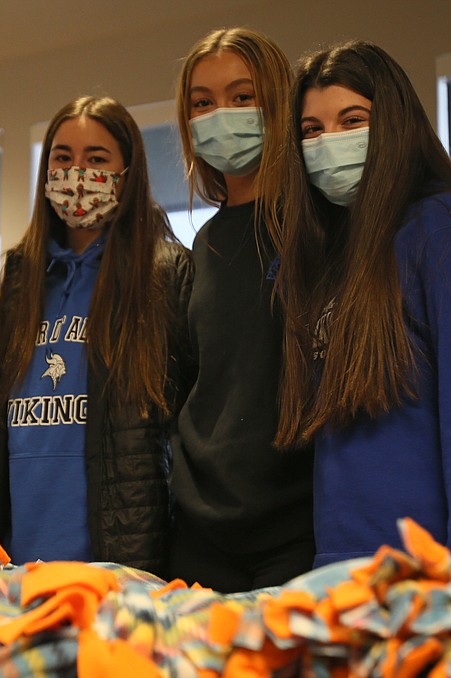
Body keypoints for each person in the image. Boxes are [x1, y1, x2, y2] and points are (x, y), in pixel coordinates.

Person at [276, 40, 451, 623]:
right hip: (352, 585)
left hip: (446, 596)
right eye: (310, 130)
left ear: (398, 125)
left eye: (351, 120)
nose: (327, 143)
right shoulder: (343, 259)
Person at [0, 96, 193, 575]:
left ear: (128, 172)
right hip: (14, 566)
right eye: (62, 158)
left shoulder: (164, 273)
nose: (77, 173)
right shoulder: (21, 276)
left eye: (96, 159)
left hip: (117, 565)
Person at [166, 28, 316, 592]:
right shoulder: (203, 245)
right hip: (200, 532)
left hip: (294, 534)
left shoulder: (317, 231)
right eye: (201, 103)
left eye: (240, 96)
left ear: (276, 103)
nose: (219, 114)